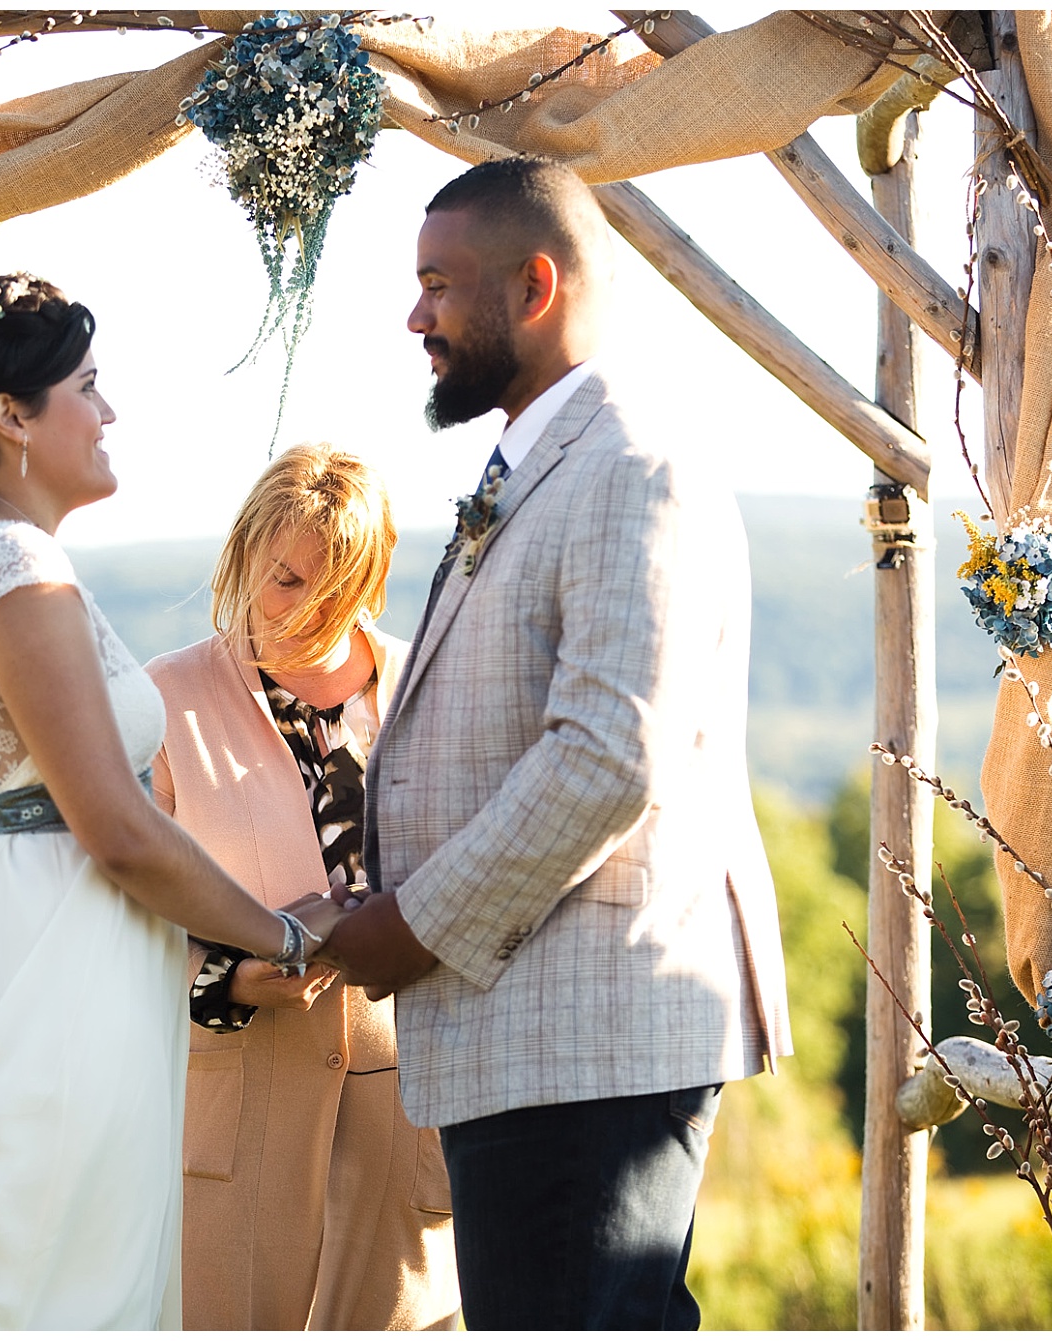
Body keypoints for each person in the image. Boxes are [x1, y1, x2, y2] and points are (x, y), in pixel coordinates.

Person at [318, 157, 794, 1330]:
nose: (413, 315)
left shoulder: (630, 468)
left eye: (437, 283)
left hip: (588, 1029)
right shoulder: (537, 465)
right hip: (531, 1032)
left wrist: (412, 924)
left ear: (533, 286)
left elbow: (603, 759)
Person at [0, 274, 341, 1330]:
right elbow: (114, 829)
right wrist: (284, 937)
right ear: (11, 416)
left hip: (1, 932)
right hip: (48, 964)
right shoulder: (11, 563)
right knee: (58, 1277)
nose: (109, 414)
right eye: (88, 387)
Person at [144, 445, 461, 1330]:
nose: (301, 613)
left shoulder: (430, 685)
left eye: (333, 593)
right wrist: (230, 978)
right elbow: (119, 918)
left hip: (410, 1130)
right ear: (244, 549)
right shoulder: (161, 704)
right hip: (236, 1125)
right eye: (283, 579)